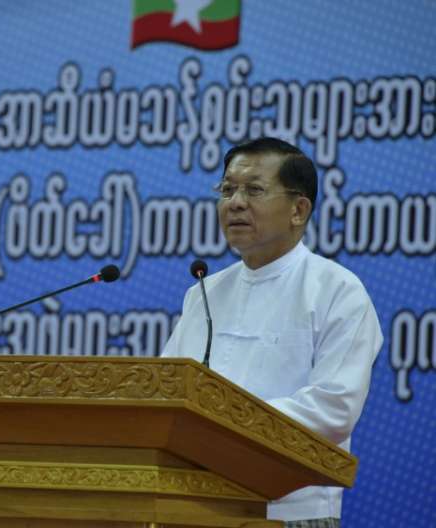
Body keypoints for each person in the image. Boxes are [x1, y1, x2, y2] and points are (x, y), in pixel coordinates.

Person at [161, 138, 379, 527]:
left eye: (254, 190)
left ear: (299, 210)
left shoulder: (338, 291)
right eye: (227, 190)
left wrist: (220, 422)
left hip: (289, 512)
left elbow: (334, 407)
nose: (235, 203)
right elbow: (167, 389)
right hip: (195, 508)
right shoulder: (204, 293)